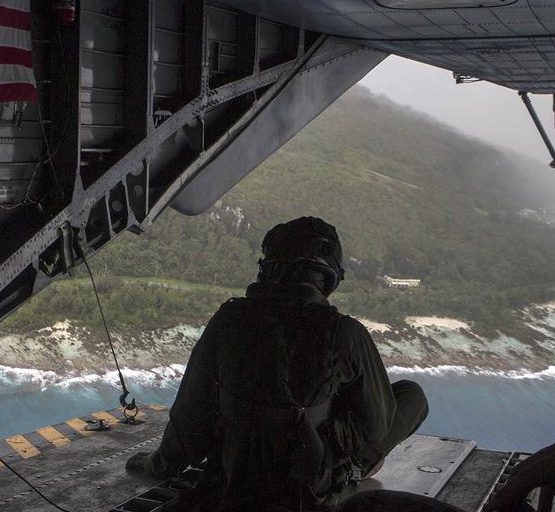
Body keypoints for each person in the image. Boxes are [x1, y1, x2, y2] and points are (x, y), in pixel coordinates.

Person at [126, 216, 428, 511]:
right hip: (307, 488)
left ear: (270, 268)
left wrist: (160, 464)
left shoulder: (230, 320)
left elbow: (191, 414)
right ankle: (351, 473)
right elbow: (376, 426)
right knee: (411, 395)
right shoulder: (345, 333)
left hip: (232, 476)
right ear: (328, 276)